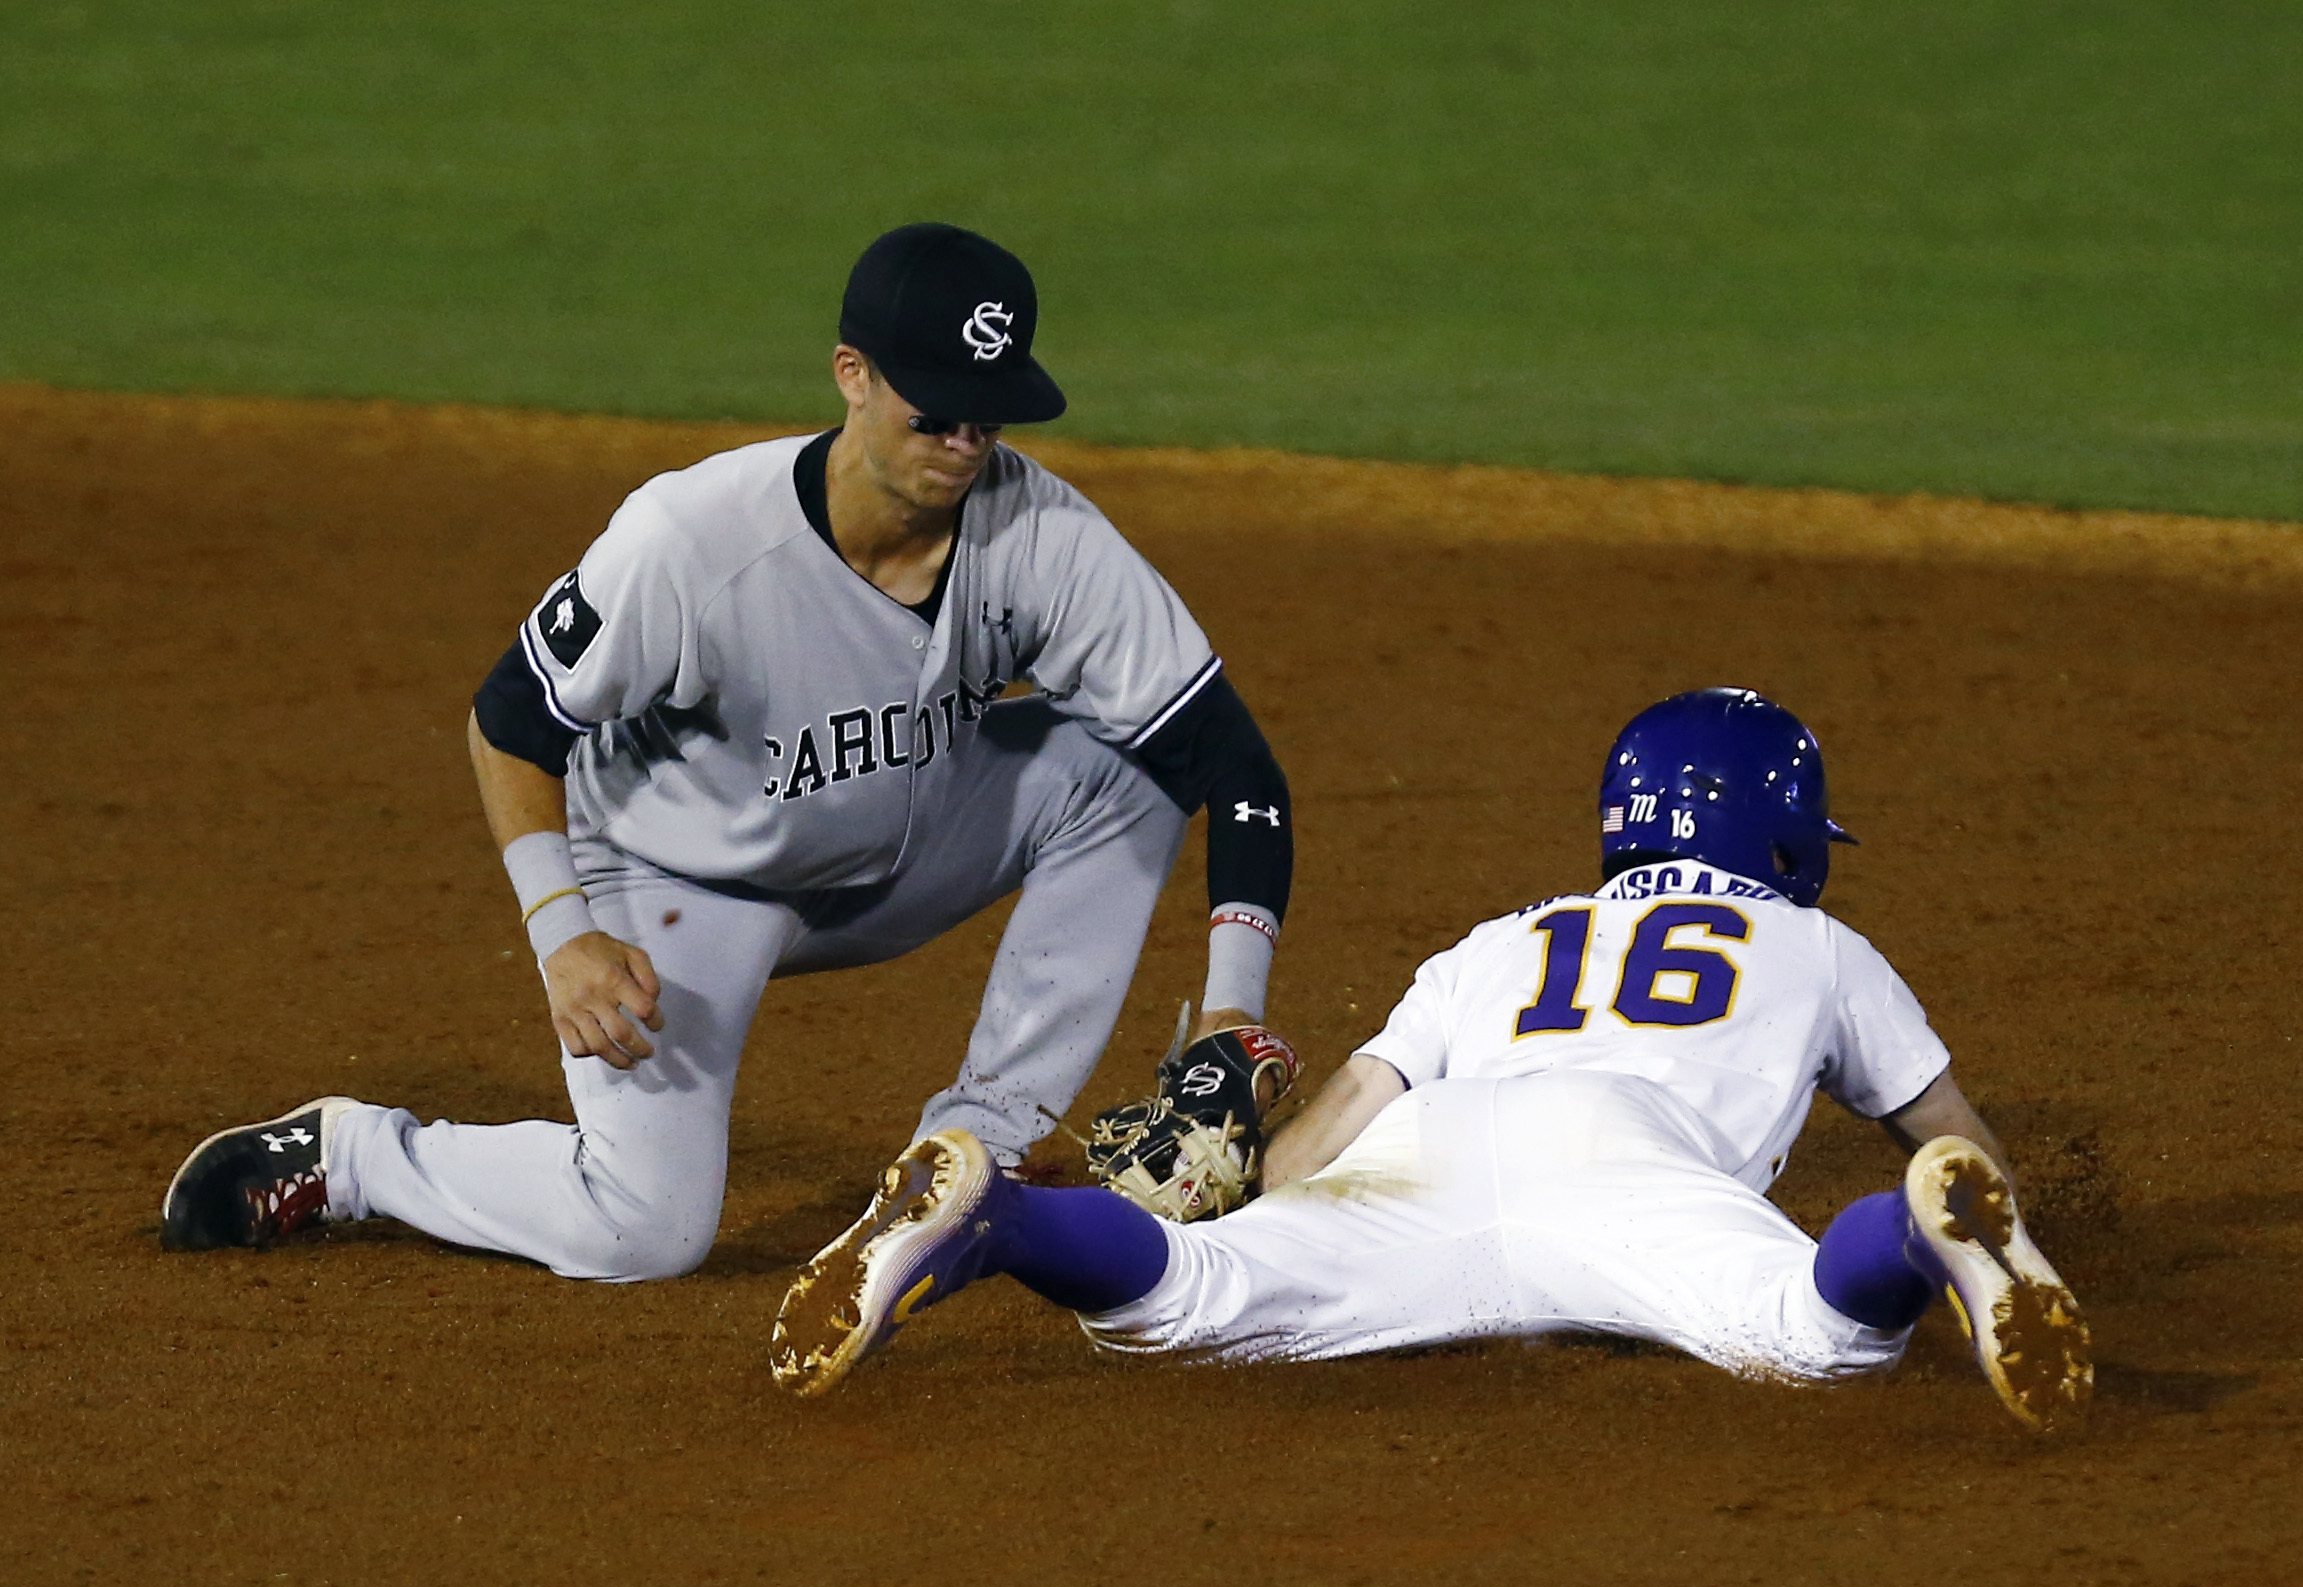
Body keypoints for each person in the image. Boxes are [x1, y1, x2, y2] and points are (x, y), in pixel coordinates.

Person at [160, 223, 1296, 1282]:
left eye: (986, 418)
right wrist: (562, 929)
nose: (964, 444)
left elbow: (1231, 760)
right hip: (681, 881)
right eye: (934, 412)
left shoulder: (1040, 533)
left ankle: (968, 1158)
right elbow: (510, 718)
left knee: (1132, 765)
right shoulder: (691, 544)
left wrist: (1227, 1015)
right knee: (641, 1228)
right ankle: (355, 1156)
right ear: (851, 375)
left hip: (903, 846)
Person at [768, 688, 2092, 1435]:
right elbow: (1958, 1139)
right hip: (1624, 1164)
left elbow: (1322, 1138)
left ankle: (994, 1217)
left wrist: (1245, 1199)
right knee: (1811, 1335)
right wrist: (1962, 1193)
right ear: (1787, 838)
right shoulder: (1813, 945)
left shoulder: (1502, 941)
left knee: (1184, 1296)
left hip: (1435, 1145)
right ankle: (1918, 1249)